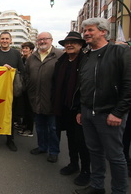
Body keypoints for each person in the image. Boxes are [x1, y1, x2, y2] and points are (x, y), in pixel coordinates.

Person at [74, 18, 131, 194]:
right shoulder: (86, 56)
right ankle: (97, 187)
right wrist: (80, 110)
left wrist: (118, 112)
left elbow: (128, 85)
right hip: (87, 113)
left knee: (115, 156)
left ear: (103, 31)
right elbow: (82, 85)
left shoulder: (120, 52)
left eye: (90, 30)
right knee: (95, 152)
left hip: (109, 115)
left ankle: (119, 191)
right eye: (85, 31)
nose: (86, 34)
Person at [53, 32, 90, 186]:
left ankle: (86, 171)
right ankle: (73, 164)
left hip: (80, 108)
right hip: (64, 107)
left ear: (81, 45)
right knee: (70, 138)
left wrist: (82, 109)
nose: (69, 45)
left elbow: (88, 88)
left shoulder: (86, 61)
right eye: (67, 42)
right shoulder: (61, 62)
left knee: (82, 141)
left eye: (74, 42)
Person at [25, 32, 64, 163]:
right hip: (35, 98)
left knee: (53, 128)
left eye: (45, 39)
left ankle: (53, 151)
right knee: (40, 126)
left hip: (52, 99)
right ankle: (42, 146)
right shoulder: (32, 57)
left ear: (51, 40)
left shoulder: (60, 55)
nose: (42, 42)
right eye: (39, 39)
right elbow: (26, 75)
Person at [0, 31, 24, 151]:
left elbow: (22, 70)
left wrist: (12, 71)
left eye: (7, 39)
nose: (5, 41)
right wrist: (1, 70)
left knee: (9, 115)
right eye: (2, 39)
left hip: (10, 91)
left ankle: (10, 140)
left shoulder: (16, 54)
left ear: (10, 41)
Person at [17, 41, 35, 137]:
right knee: (24, 107)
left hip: (30, 87)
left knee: (29, 109)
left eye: (26, 48)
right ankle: (24, 125)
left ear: (31, 50)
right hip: (23, 87)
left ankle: (29, 129)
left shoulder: (33, 60)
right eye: (23, 48)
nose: (24, 50)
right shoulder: (22, 59)